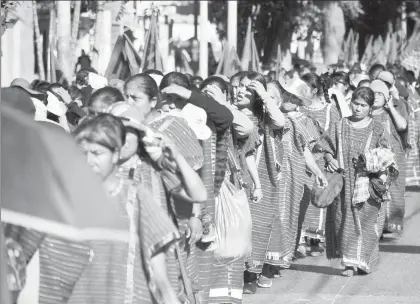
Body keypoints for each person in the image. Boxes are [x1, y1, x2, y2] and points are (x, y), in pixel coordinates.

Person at [316, 87, 393, 277]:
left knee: (367, 223)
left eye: (363, 105)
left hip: (368, 184)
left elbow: (387, 155)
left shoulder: (377, 128)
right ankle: (350, 263)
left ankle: (363, 261)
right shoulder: (340, 125)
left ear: (370, 108)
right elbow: (324, 146)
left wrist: (380, 176)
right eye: (356, 104)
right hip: (344, 184)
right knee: (345, 221)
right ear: (350, 103)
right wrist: (329, 159)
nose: (358, 108)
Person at [199, 76, 254, 304]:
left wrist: (222, 104)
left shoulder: (229, 117)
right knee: (209, 248)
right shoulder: (195, 117)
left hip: (227, 188)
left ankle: (231, 297)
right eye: (204, 94)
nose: (206, 99)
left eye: (211, 94)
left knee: (231, 247)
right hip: (203, 190)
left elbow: (247, 128)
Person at [235, 72, 286, 292]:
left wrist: (265, 96)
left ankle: (250, 276)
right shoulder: (230, 113)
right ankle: (233, 274)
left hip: (262, 178)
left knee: (257, 226)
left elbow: (280, 121)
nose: (240, 91)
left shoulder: (265, 118)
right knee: (236, 226)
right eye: (238, 86)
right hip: (235, 176)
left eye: (247, 88)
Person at [370, 80, 408, 233]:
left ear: (386, 97)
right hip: (373, 160)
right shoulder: (365, 113)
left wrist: (391, 107)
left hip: (393, 160)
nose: (377, 97)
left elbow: (402, 126)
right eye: (374, 93)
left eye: (380, 94)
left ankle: (389, 224)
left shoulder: (390, 114)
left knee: (393, 190)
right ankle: (376, 225)